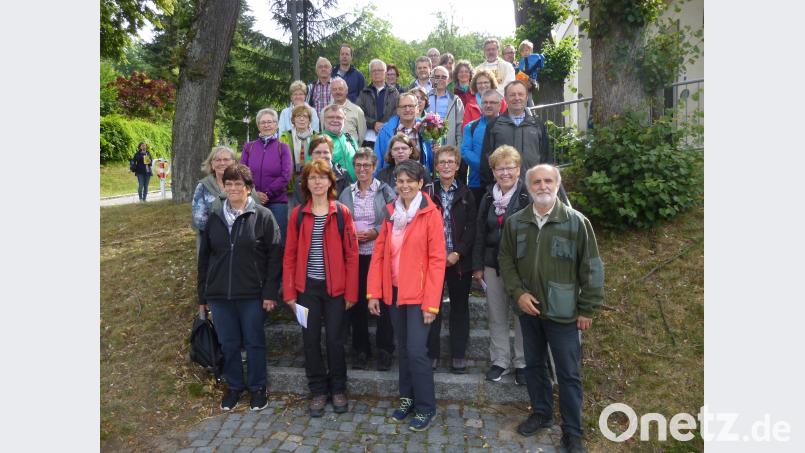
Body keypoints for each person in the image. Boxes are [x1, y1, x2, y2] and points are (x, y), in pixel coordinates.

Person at [498, 164, 603, 453]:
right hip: (529, 311)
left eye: (548, 181)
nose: (542, 186)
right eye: (536, 182)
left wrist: (587, 308)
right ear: (528, 187)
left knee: (568, 373)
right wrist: (518, 293)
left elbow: (591, 267)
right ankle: (542, 413)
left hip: (565, 313)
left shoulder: (576, 222)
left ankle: (572, 431)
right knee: (533, 366)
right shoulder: (516, 222)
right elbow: (505, 260)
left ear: (557, 184)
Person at [367, 159, 446, 432]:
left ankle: (426, 407)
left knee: (416, 350)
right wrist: (374, 292)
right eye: (399, 181)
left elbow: (437, 261)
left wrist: (431, 304)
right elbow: (379, 254)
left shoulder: (431, 214)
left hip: (420, 294)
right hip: (394, 291)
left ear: (420, 183)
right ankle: (407, 398)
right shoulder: (390, 213)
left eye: (409, 181)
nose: (404, 185)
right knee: (403, 349)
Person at [197, 164, 282, 412]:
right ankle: (234, 387)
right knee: (229, 342)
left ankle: (257, 388)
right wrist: (202, 294)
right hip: (219, 295)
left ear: (249, 189)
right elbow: (204, 259)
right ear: (224, 187)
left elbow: (275, 256)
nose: (234, 188)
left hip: (252, 294)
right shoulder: (214, 218)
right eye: (229, 184)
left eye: (239, 185)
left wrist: (269, 292)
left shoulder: (263, 216)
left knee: (254, 342)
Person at [284, 159, 359, 418]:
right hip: (306, 291)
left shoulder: (341, 213)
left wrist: (351, 292)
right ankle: (317, 390)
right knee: (310, 340)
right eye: (312, 178)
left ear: (330, 182)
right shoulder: (297, 214)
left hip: (335, 291)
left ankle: (338, 388)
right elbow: (290, 256)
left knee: (336, 341)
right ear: (305, 183)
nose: (317, 182)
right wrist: (290, 294)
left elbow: (352, 254)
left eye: (322, 177)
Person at [471, 145, 530, 385]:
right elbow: (479, 233)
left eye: (510, 167)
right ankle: (500, 361)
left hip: (521, 268)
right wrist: (477, 266)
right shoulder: (487, 197)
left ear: (518, 170)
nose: (505, 172)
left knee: (522, 316)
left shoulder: (527, 196)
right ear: (493, 172)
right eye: (500, 168)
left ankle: (523, 363)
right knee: (496, 315)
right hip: (492, 265)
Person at [338, 148, 397, 370]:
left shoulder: (385, 191)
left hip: (379, 255)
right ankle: (360, 349)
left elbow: (395, 217)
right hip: (355, 256)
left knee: (382, 302)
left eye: (367, 165)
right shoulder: (346, 193)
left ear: (374, 167)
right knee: (358, 303)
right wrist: (350, 233)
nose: (362, 169)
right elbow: (341, 221)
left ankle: (385, 349)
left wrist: (376, 231)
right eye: (359, 165)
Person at [425, 145, 476, 374]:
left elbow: (472, 227)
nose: (446, 166)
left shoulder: (466, 193)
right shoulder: (427, 192)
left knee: (459, 308)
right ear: (435, 166)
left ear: (457, 166)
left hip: (458, 261)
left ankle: (458, 354)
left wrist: (458, 252)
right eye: (441, 162)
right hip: (432, 261)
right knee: (431, 308)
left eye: (450, 162)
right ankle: (432, 354)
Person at [480, 80, 557, 194]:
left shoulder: (537, 125)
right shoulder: (494, 125)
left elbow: (546, 158)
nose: (517, 98)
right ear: (505, 98)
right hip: (503, 190)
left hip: (533, 188)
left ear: (526, 97)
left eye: (520, 94)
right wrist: (490, 187)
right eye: (512, 95)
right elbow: (486, 159)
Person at [241, 108, 292, 244]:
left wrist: (268, 193)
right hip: (252, 201)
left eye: (270, 122)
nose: (267, 125)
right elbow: (242, 173)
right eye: (263, 122)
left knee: (278, 241)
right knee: (254, 240)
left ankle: (276, 266)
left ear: (276, 125)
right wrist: (254, 193)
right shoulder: (249, 147)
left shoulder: (283, 147)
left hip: (277, 202)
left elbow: (286, 175)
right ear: (258, 125)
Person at [461, 90, 502, 207]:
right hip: (477, 183)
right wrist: (487, 168)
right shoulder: (471, 127)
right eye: (485, 102)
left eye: (492, 102)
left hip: (502, 182)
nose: (488, 105)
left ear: (499, 105)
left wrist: (498, 171)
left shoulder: (506, 126)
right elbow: (465, 152)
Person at [374, 92, 433, 173]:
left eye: (411, 106)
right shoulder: (386, 131)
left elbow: (432, 161)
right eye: (404, 106)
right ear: (398, 110)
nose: (407, 109)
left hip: (419, 180)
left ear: (417, 109)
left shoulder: (426, 130)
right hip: (392, 181)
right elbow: (377, 160)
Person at [191, 146, 236, 245]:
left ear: (233, 162)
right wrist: (221, 232)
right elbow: (198, 218)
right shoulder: (203, 186)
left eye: (226, 159)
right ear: (212, 164)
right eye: (217, 160)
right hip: (210, 238)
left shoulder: (243, 183)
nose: (222, 163)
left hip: (239, 237)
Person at [293, 134, 352, 204]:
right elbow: (300, 209)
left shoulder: (344, 176)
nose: (322, 156)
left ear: (331, 154)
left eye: (326, 152)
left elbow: (348, 205)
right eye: (318, 152)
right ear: (311, 155)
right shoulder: (301, 180)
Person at [356, 59, 400, 148]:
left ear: (385, 73)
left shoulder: (394, 92)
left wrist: (385, 126)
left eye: (379, 70)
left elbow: (397, 112)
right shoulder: (364, 93)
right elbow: (359, 114)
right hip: (368, 139)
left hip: (389, 137)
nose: (376, 73)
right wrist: (373, 124)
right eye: (373, 71)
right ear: (370, 74)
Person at [279, 105, 316, 202]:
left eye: (305, 116)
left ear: (309, 120)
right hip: (291, 182)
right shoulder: (285, 136)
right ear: (293, 119)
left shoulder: (317, 136)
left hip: (312, 181)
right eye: (298, 116)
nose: (301, 119)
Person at [427, 66, 464, 148]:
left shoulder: (456, 100)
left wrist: (458, 150)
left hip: (448, 146)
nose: (440, 79)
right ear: (432, 79)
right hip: (427, 145)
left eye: (444, 77)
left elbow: (459, 128)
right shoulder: (424, 98)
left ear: (448, 80)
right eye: (437, 77)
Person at [321, 104, 360, 180]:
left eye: (339, 117)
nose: (335, 120)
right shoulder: (318, 141)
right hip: (332, 189)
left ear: (344, 120)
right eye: (330, 117)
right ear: (324, 120)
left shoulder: (350, 139)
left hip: (354, 189)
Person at [331, 77, 367, 145]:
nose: (337, 92)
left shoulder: (357, 111)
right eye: (334, 89)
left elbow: (362, 136)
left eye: (340, 89)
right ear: (331, 91)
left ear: (346, 91)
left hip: (351, 153)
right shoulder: (324, 111)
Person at [451, 59, 475, 127]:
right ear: (457, 74)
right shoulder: (452, 92)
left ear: (470, 74)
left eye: (466, 72)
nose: (463, 74)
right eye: (461, 72)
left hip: (473, 124)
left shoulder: (476, 91)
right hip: (457, 124)